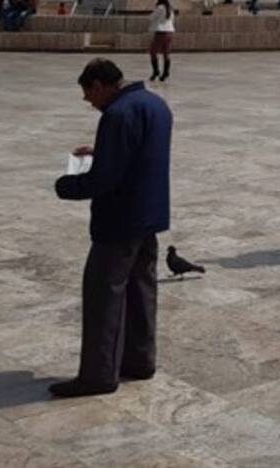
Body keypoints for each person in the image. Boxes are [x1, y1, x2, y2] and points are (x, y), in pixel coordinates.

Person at [51, 58, 171, 398]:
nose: (89, 103)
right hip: (149, 216)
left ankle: (98, 374)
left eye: (90, 95)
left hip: (118, 221)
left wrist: (67, 186)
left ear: (101, 85)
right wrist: (102, 152)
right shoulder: (155, 104)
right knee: (141, 290)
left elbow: (105, 179)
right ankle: (140, 359)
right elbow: (139, 153)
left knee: (104, 295)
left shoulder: (117, 115)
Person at [147, 0, 175, 82]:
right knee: (166, 53)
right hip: (170, 32)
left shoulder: (160, 8)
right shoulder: (170, 9)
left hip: (161, 32)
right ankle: (166, 72)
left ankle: (156, 71)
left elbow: (151, 17)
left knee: (153, 51)